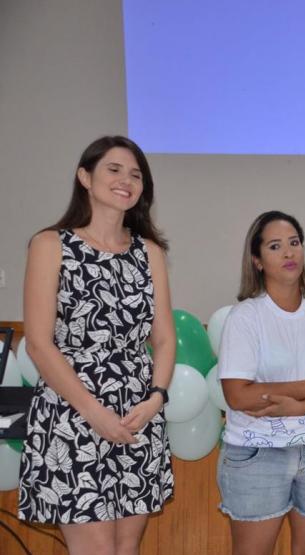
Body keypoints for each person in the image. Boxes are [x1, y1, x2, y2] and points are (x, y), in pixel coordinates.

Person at [19, 136, 175, 554]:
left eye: (136, 174)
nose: (127, 180)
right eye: (114, 169)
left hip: (137, 415)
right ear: (85, 176)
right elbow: (37, 343)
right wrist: (93, 412)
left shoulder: (150, 253)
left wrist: (156, 398)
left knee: (126, 550)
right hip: (74, 415)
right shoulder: (51, 245)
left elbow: (163, 337)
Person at [216, 210, 305, 555]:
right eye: (275, 246)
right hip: (257, 454)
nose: (289, 253)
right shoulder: (245, 317)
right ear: (258, 260)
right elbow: (237, 396)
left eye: (294, 243)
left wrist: (299, 406)